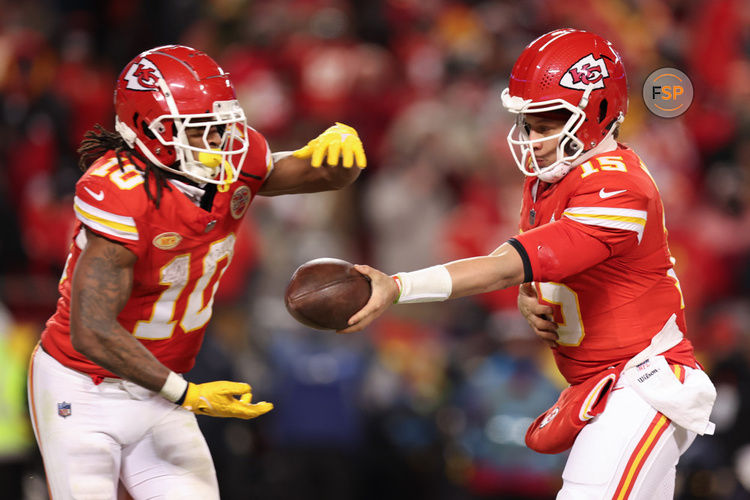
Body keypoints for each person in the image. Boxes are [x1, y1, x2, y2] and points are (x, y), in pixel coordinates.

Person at [342, 29, 716, 499]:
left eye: (550, 121)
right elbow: (543, 267)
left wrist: (399, 286)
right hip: (601, 385)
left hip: (644, 384)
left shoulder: (620, 187)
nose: (535, 139)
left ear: (598, 113)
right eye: (529, 123)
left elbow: (505, 266)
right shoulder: (550, 181)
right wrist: (531, 294)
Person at [27, 44, 366, 499]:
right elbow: (91, 330)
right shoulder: (121, 193)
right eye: (203, 130)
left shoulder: (231, 160)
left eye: (223, 126)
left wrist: (340, 158)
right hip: (84, 386)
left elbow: (318, 176)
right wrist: (186, 394)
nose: (221, 142)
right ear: (151, 130)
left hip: (162, 390)